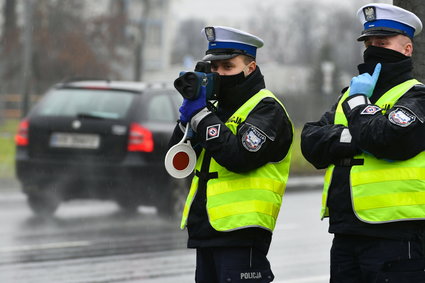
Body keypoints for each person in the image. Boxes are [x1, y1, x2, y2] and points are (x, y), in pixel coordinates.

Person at [301, 3, 425, 282]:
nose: (373, 49)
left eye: (383, 42)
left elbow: (387, 139)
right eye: (368, 43)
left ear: (407, 49)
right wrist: (356, 135)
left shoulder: (416, 97)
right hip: (346, 230)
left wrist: (358, 105)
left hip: (396, 232)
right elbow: (311, 142)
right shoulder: (350, 95)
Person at [168, 26, 293, 282]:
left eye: (228, 67)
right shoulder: (215, 110)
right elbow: (176, 160)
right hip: (206, 229)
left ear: (250, 68)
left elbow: (239, 157)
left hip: (242, 232)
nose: (219, 74)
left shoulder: (267, 108)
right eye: (214, 68)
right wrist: (185, 121)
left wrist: (201, 117)